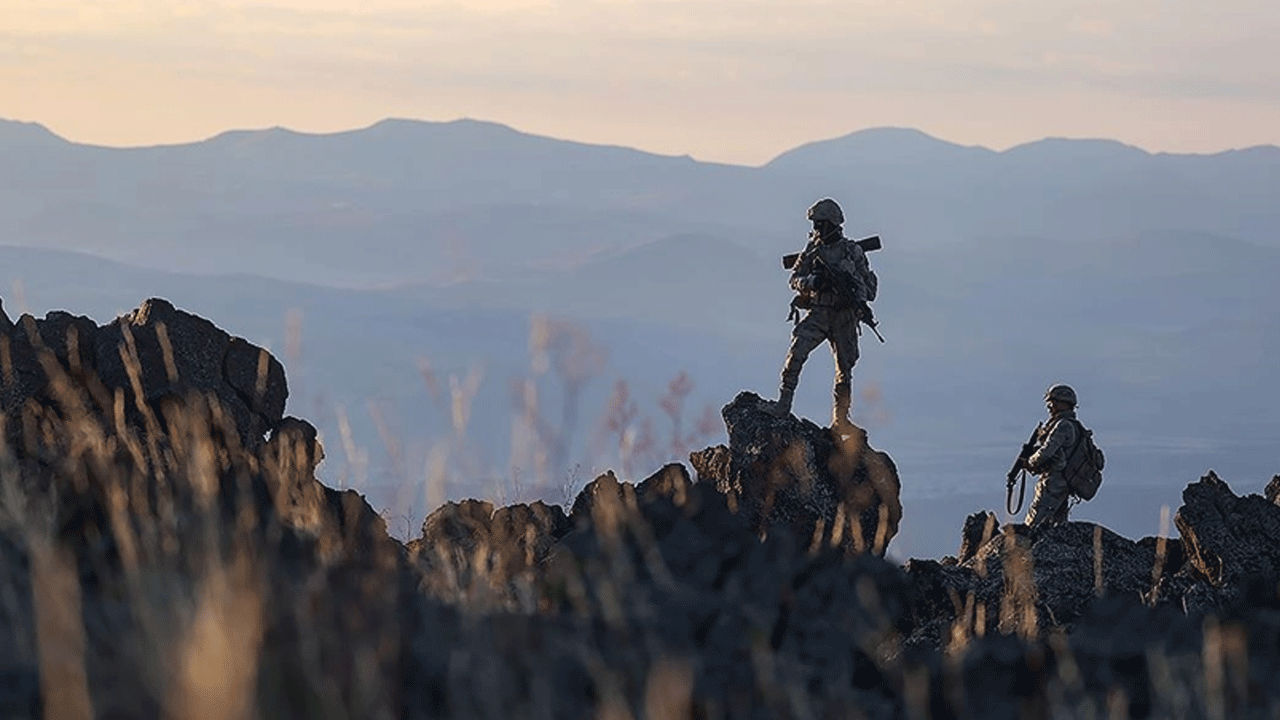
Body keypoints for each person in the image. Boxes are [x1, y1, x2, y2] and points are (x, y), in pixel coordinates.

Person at [769, 198, 878, 429]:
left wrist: (851, 280)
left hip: (844, 315)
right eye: (815, 224)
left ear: (832, 224)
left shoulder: (852, 252)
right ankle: (783, 405)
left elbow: (870, 290)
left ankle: (841, 419)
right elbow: (794, 279)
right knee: (796, 353)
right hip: (819, 312)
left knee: (845, 368)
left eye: (820, 224)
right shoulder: (812, 250)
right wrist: (812, 281)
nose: (816, 229)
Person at [1020, 384, 1083, 529]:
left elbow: (1046, 452)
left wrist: (1029, 462)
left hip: (1055, 480)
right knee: (1057, 525)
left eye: (1053, 401)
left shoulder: (1063, 426)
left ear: (1064, 402)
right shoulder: (1073, 425)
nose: (1049, 406)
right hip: (1064, 481)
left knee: (1034, 522)